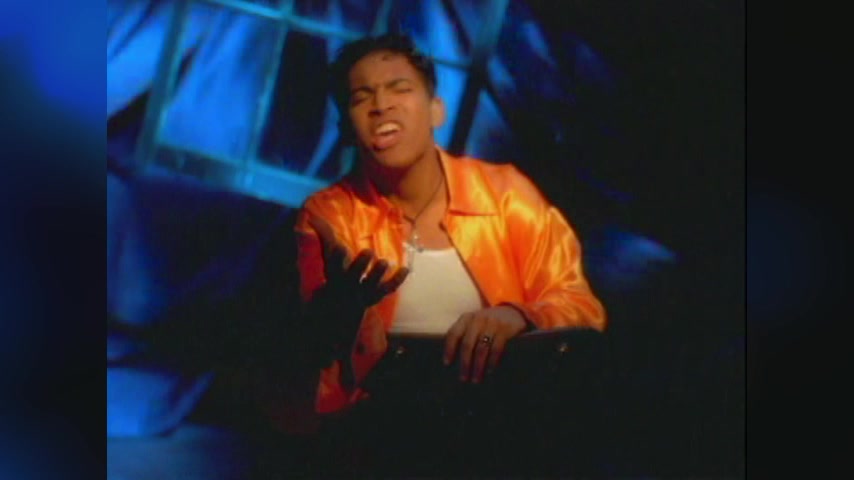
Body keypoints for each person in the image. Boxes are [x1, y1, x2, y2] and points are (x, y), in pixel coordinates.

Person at [290, 33, 606, 475]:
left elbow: (582, 309)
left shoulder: (505, 194)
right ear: (345, 127)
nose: (381, 105)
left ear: (436, 109)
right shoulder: (329, 215)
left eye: (399, 88)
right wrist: (339, 313)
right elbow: (309, 359)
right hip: (383, 428)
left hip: (503, 419)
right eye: (362, 97)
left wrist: (517, 315)